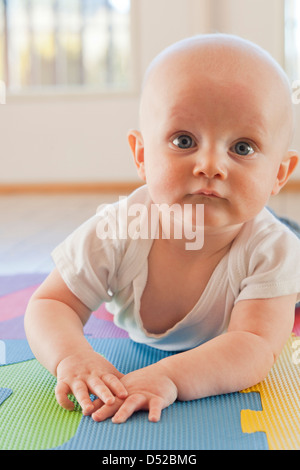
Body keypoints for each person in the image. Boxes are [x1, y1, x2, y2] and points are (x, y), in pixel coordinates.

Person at [25, 34, 300, 424]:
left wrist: (167, 377)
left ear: (279, 174)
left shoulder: (274, 252)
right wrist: (73, 356)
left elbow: (254, 346)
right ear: (141, 155)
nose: (210, 166)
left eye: (242, 148)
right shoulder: (120, 227)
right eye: (184, 140)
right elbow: (50, 303)